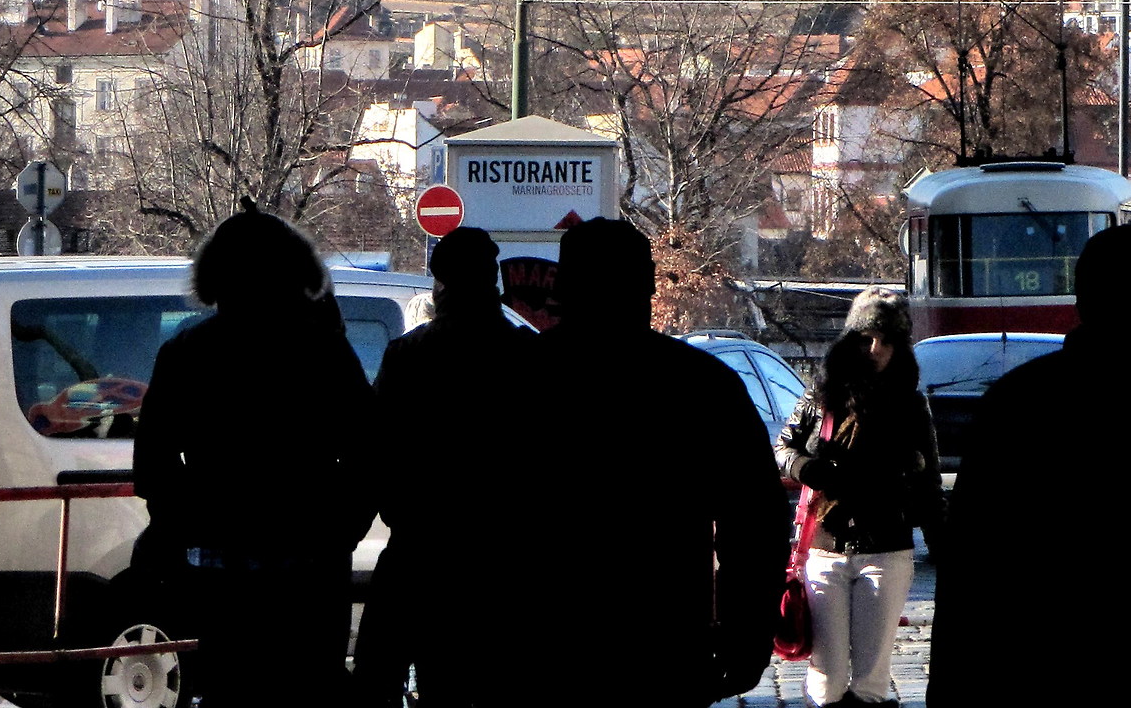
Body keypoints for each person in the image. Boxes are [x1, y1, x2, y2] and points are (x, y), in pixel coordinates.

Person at [927, 224, 1131, 706]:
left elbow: (972, 559)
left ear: (1081, 300)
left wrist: (951, 683)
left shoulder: (1016, 405)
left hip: (1037, 671)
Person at [503, 218, 789, 708]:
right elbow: (755, 522)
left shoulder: (509, 382)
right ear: (650, 286)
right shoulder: (703, 384)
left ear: (565, 286)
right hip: (664, 642)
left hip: (536, 644)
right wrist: (746, 630)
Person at [133, 207, 376, 703]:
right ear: (295, 271)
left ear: (214, 276)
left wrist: (187, 527)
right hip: (310, 568)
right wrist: (339, 532)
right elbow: (368, 454)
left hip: (220, 572)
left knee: (227, 689)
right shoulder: (325, 351)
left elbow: (154, 461)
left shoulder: (187, 350)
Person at [353, 227, 537, 708]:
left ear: (441, 285)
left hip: (422, 553)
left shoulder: (409, 358)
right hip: (508, 563)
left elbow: (374, 458)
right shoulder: (528, 359)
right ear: (491, 282)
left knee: (391, 672)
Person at [777, 288, 943, 708]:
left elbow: (930, 488)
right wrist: (805, 468)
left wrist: (943, 540)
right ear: (850, 339)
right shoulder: (823, 397)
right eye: (867, 337)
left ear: (899, 348)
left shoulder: (911, 405)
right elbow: (784, 447)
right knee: (825, 678)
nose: (875, 349)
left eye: (886, 340)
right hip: (825, 549)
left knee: (870, 678)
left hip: (886, 549)